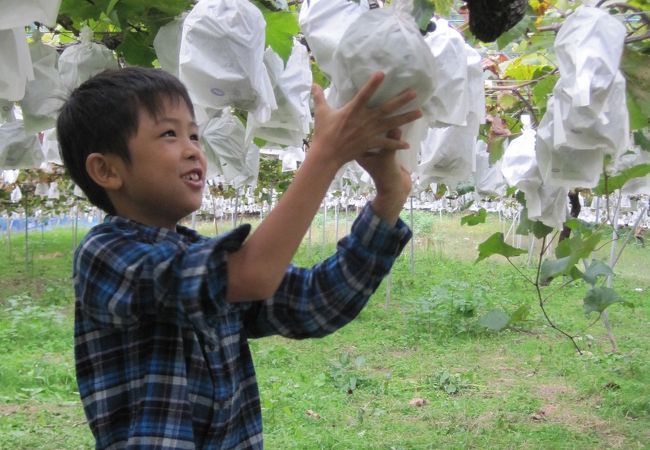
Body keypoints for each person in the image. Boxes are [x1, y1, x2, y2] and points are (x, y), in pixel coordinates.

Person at [56, 66, 421, 449]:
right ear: (107, 170)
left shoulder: (196, 254)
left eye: (194, 135)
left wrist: (388, 200)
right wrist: (326, 154)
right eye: (169, 134)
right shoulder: (104, 255)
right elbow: (252, 274)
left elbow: (313, 303)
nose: (193, 148)